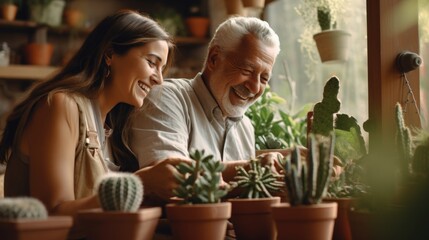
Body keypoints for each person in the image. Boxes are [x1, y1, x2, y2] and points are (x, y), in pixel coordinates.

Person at [0, 9, 190, 219]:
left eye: (162, 69)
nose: (159, 80)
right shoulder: (61, 106)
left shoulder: (113, 126)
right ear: (109, 54)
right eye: (152, 63)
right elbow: (52, 214)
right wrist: (139, 184)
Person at [130, 16, 282, 202]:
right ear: (214, 58)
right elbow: (170, 178)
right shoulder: (166, 97)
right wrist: (252, 169)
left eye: (264, 79)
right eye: (247, 71)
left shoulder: (245, 127)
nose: (255, 87)